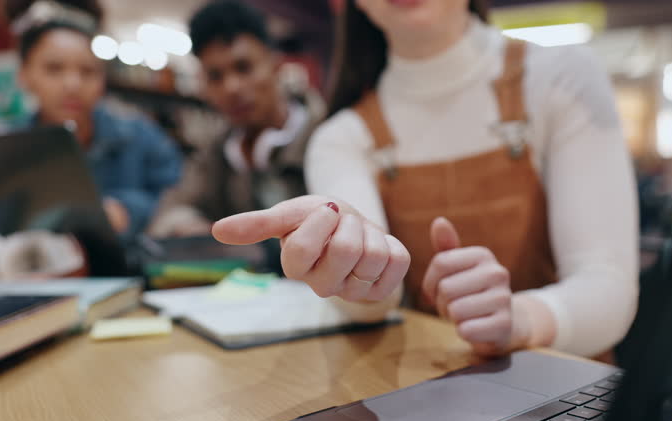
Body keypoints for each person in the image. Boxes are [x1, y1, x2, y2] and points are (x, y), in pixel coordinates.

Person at [214, 0, 639, 358]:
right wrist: (348, 265)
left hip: (568, 398)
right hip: (427, 395)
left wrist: (523, 319)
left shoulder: (563, 77)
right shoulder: (339, 137)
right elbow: (376, 304)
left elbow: (608, 287)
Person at [5, 0, 182, 239]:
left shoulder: (144, 139)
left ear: (102, 79)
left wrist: (127, 210)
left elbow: (180, 200)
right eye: (54, 69)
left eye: (88, 71)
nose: (73, 85)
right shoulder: (0, 151)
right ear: (24, 76)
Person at [149, 0, 326, 238]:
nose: (231, 87)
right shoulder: (214, 153)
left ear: (275, 64)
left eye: (244, 67)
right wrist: (197, 230)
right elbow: (170, 212)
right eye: (215, 76)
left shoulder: (326, 136)